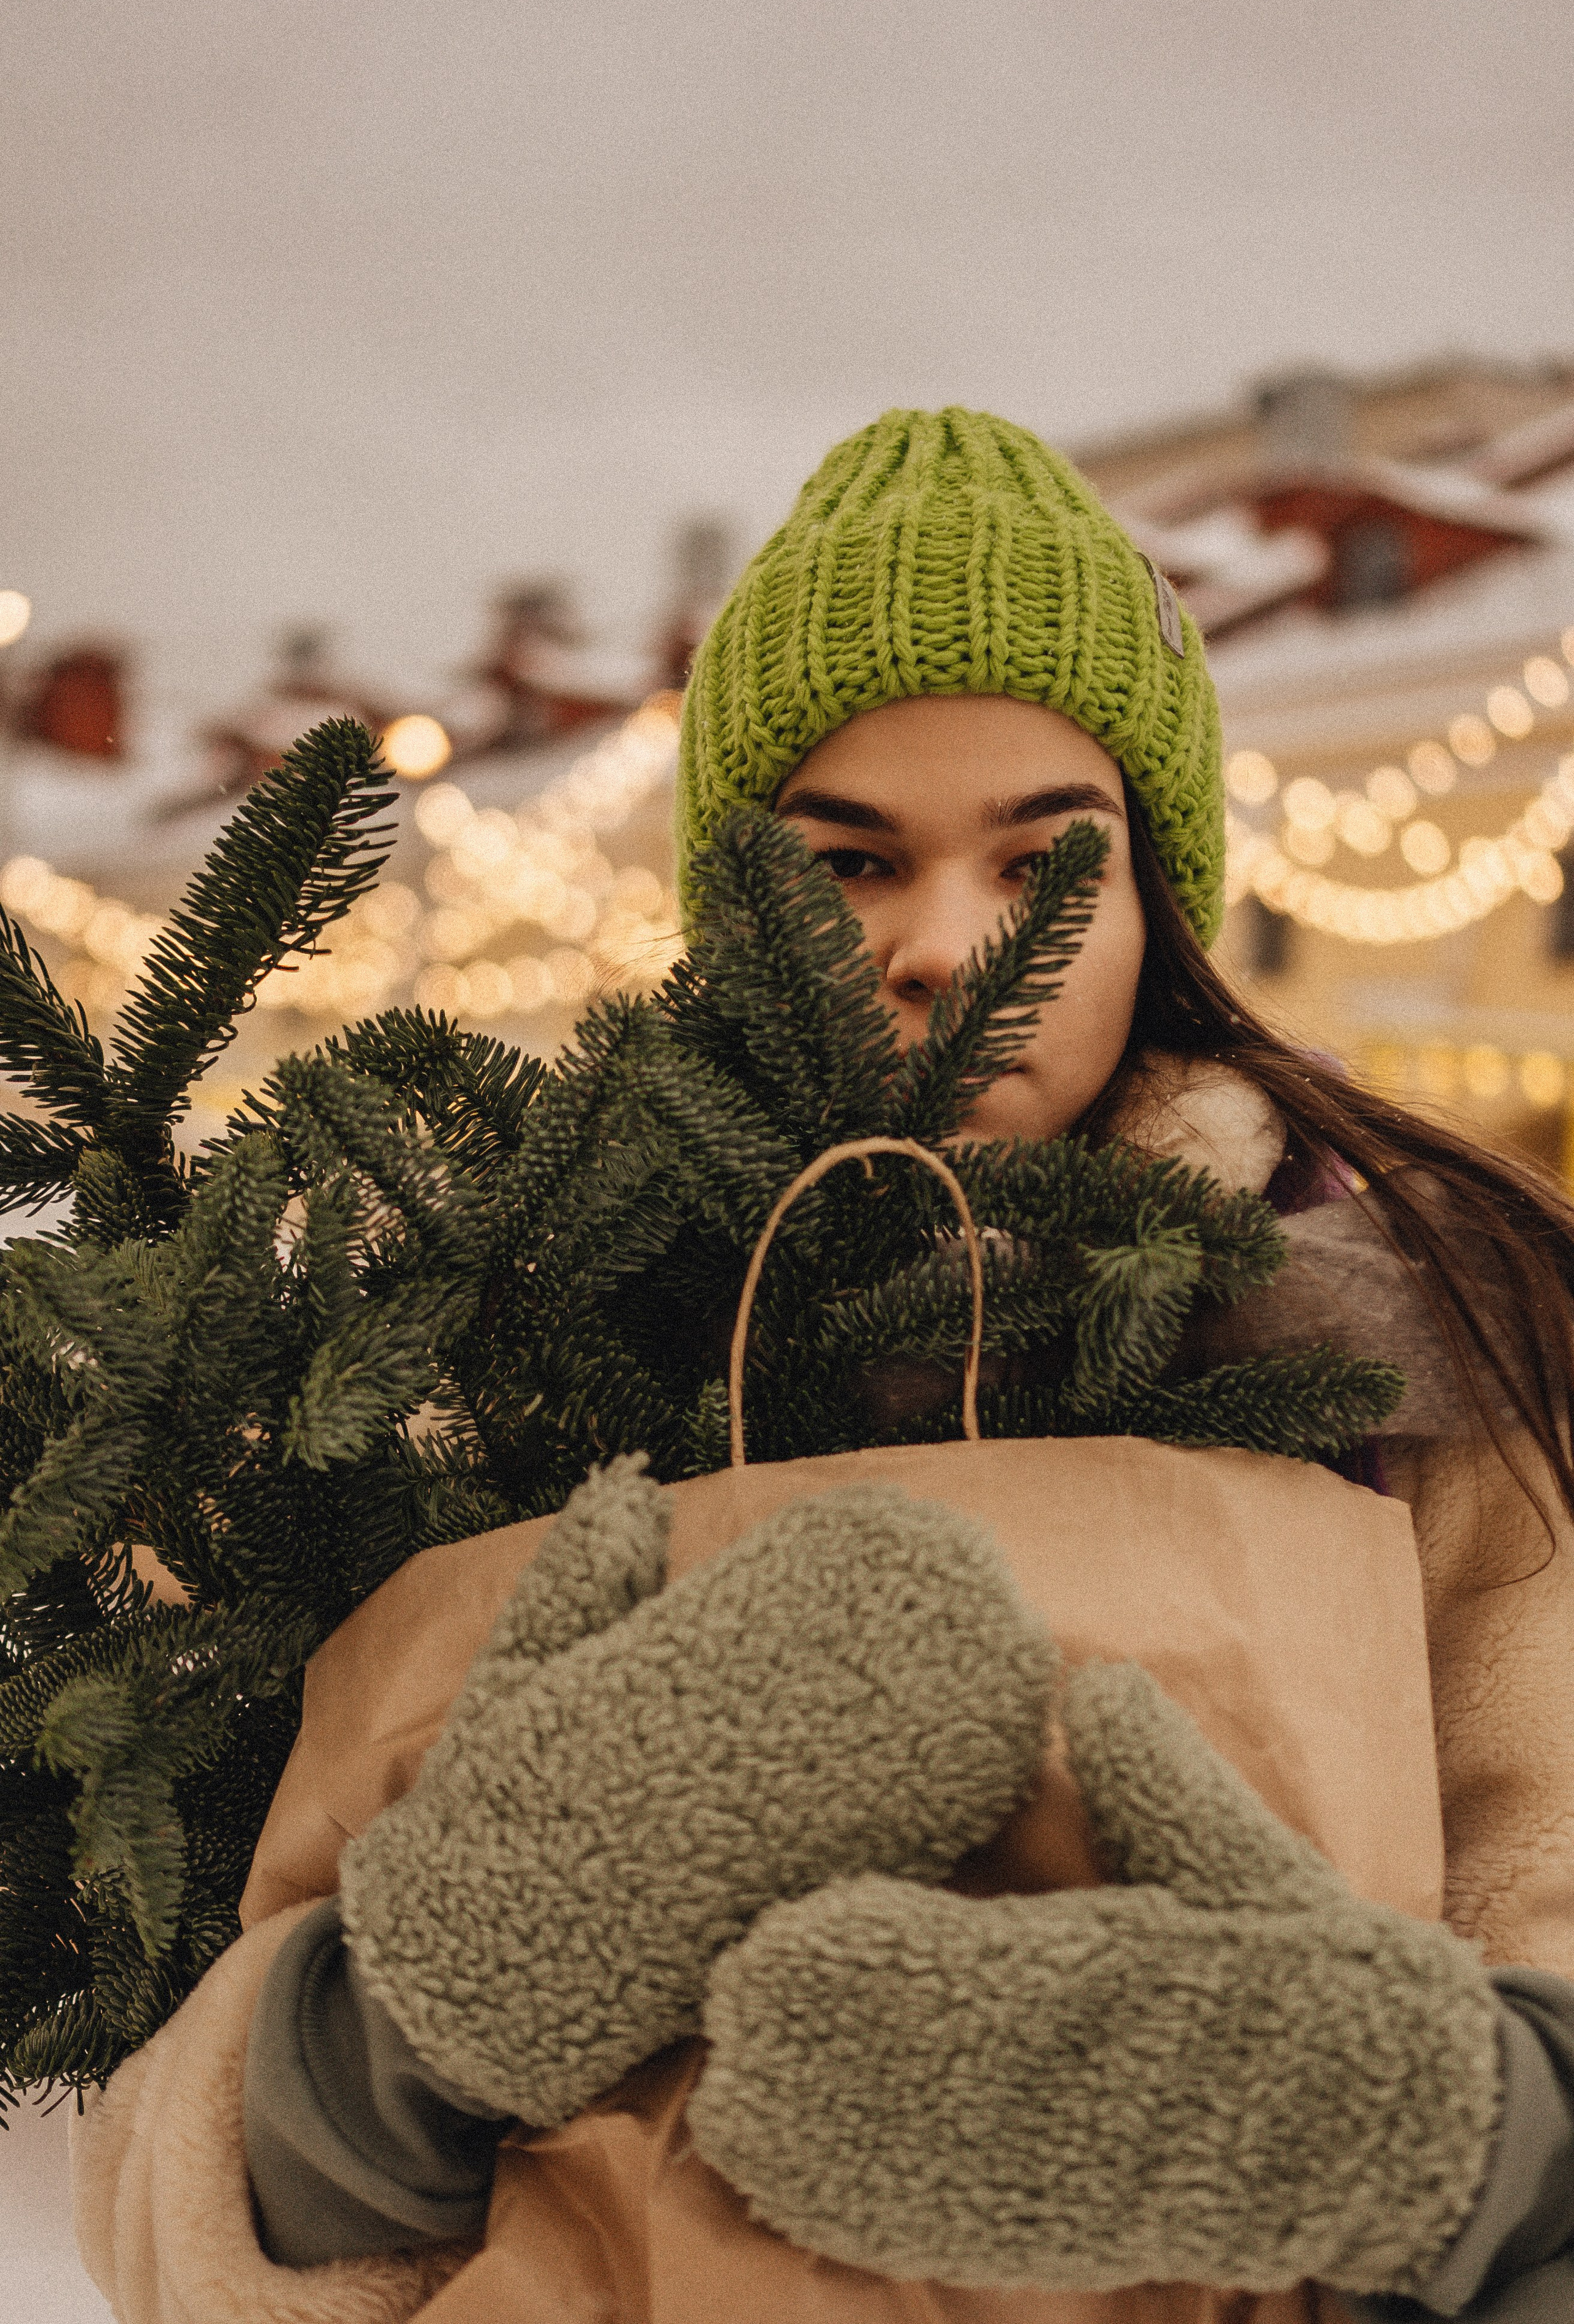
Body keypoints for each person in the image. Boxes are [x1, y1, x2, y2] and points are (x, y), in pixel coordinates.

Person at [73, 409, 1574, 2323]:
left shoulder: (1418, 1349)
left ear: (1158, 895)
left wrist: (1455, 2140)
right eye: (852, 867)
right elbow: (154, 2197)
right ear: (738, 918)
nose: (947, 946)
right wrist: (401, 2030)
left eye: (1046, 865)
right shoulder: (488, 1360)